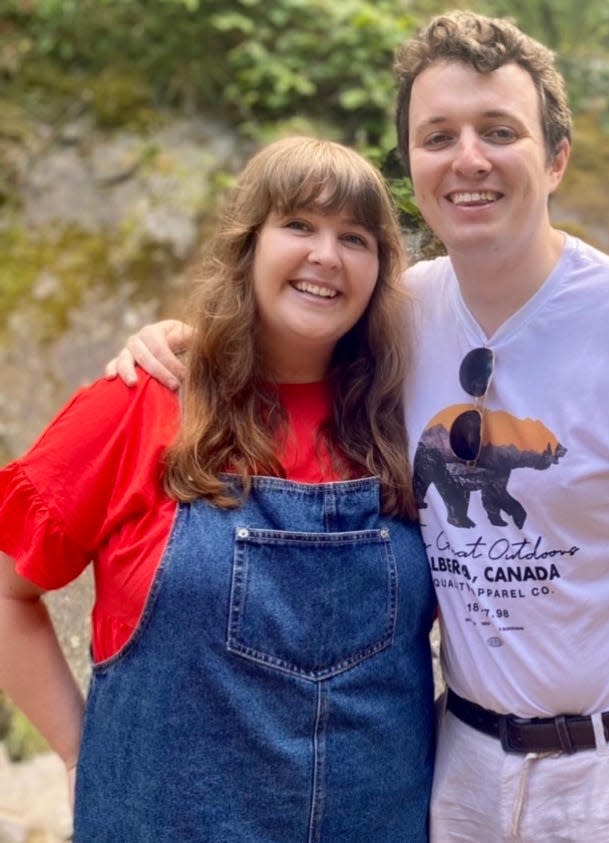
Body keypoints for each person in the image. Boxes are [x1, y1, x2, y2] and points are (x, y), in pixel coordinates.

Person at [107, 10, 609, 841]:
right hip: (460, 764)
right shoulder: (395, 317)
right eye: (438, 135)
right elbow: (281, 347)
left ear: (555, 158)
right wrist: (180, 343)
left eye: (498, 130)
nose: (468, 158)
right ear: (412, 164)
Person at [2, 136, 436, 841]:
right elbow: (6, 588)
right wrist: (82, 750)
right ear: (248, 245)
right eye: (297, 225)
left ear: (380, 270)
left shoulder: (407, 420)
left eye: (354, 237)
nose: (325, 254)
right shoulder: (144, 399)